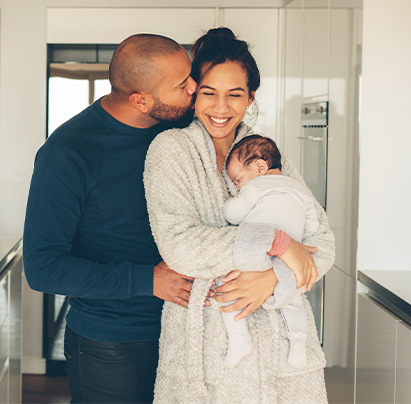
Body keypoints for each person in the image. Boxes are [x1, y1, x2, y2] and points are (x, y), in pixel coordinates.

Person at [144, 27, 335, 403]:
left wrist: (273, 277)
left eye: (235, 94)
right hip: (207, 352)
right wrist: (280, 244)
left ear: (250, 98)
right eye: (209, 93)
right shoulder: (170, 151)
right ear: (192, 92)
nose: (220, 107)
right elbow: (181, 246)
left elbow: (323, 245)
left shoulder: (266, 156)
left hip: (283, 351)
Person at [23, 33, 199, 403]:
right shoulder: (67, 153)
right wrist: (147, 280)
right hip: (112, 345)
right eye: (182, 84)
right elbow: (42, 267)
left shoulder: (177, 128)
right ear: (141, 100)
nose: (194, 88)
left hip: (187, 331)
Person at [220, 134, 319, 369]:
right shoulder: (300, 189)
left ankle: (240, 338)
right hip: (289, 259)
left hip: (258, 250)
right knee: (294, 300)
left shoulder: (255, 187)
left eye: (237, 180)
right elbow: (313, 226)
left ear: (260, 167)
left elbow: (232, 215)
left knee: (226, 287)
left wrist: (228, 201)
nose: (237, 186)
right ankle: (299, 343)